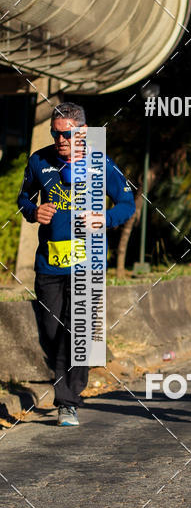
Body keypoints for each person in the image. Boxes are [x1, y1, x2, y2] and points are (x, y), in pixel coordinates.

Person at [17, 103, 135, 426]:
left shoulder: (100, 164)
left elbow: (127, 204)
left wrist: (104, 218)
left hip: (88, 264)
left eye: (67, 135)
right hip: (50, 265)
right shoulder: (39, 161)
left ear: (82, 132)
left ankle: (67, 401)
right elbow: (24, 198)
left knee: (76, 332)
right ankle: (67, 381)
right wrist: (32, 211)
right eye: (55, 134)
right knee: (51, 332)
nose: (60, 141)